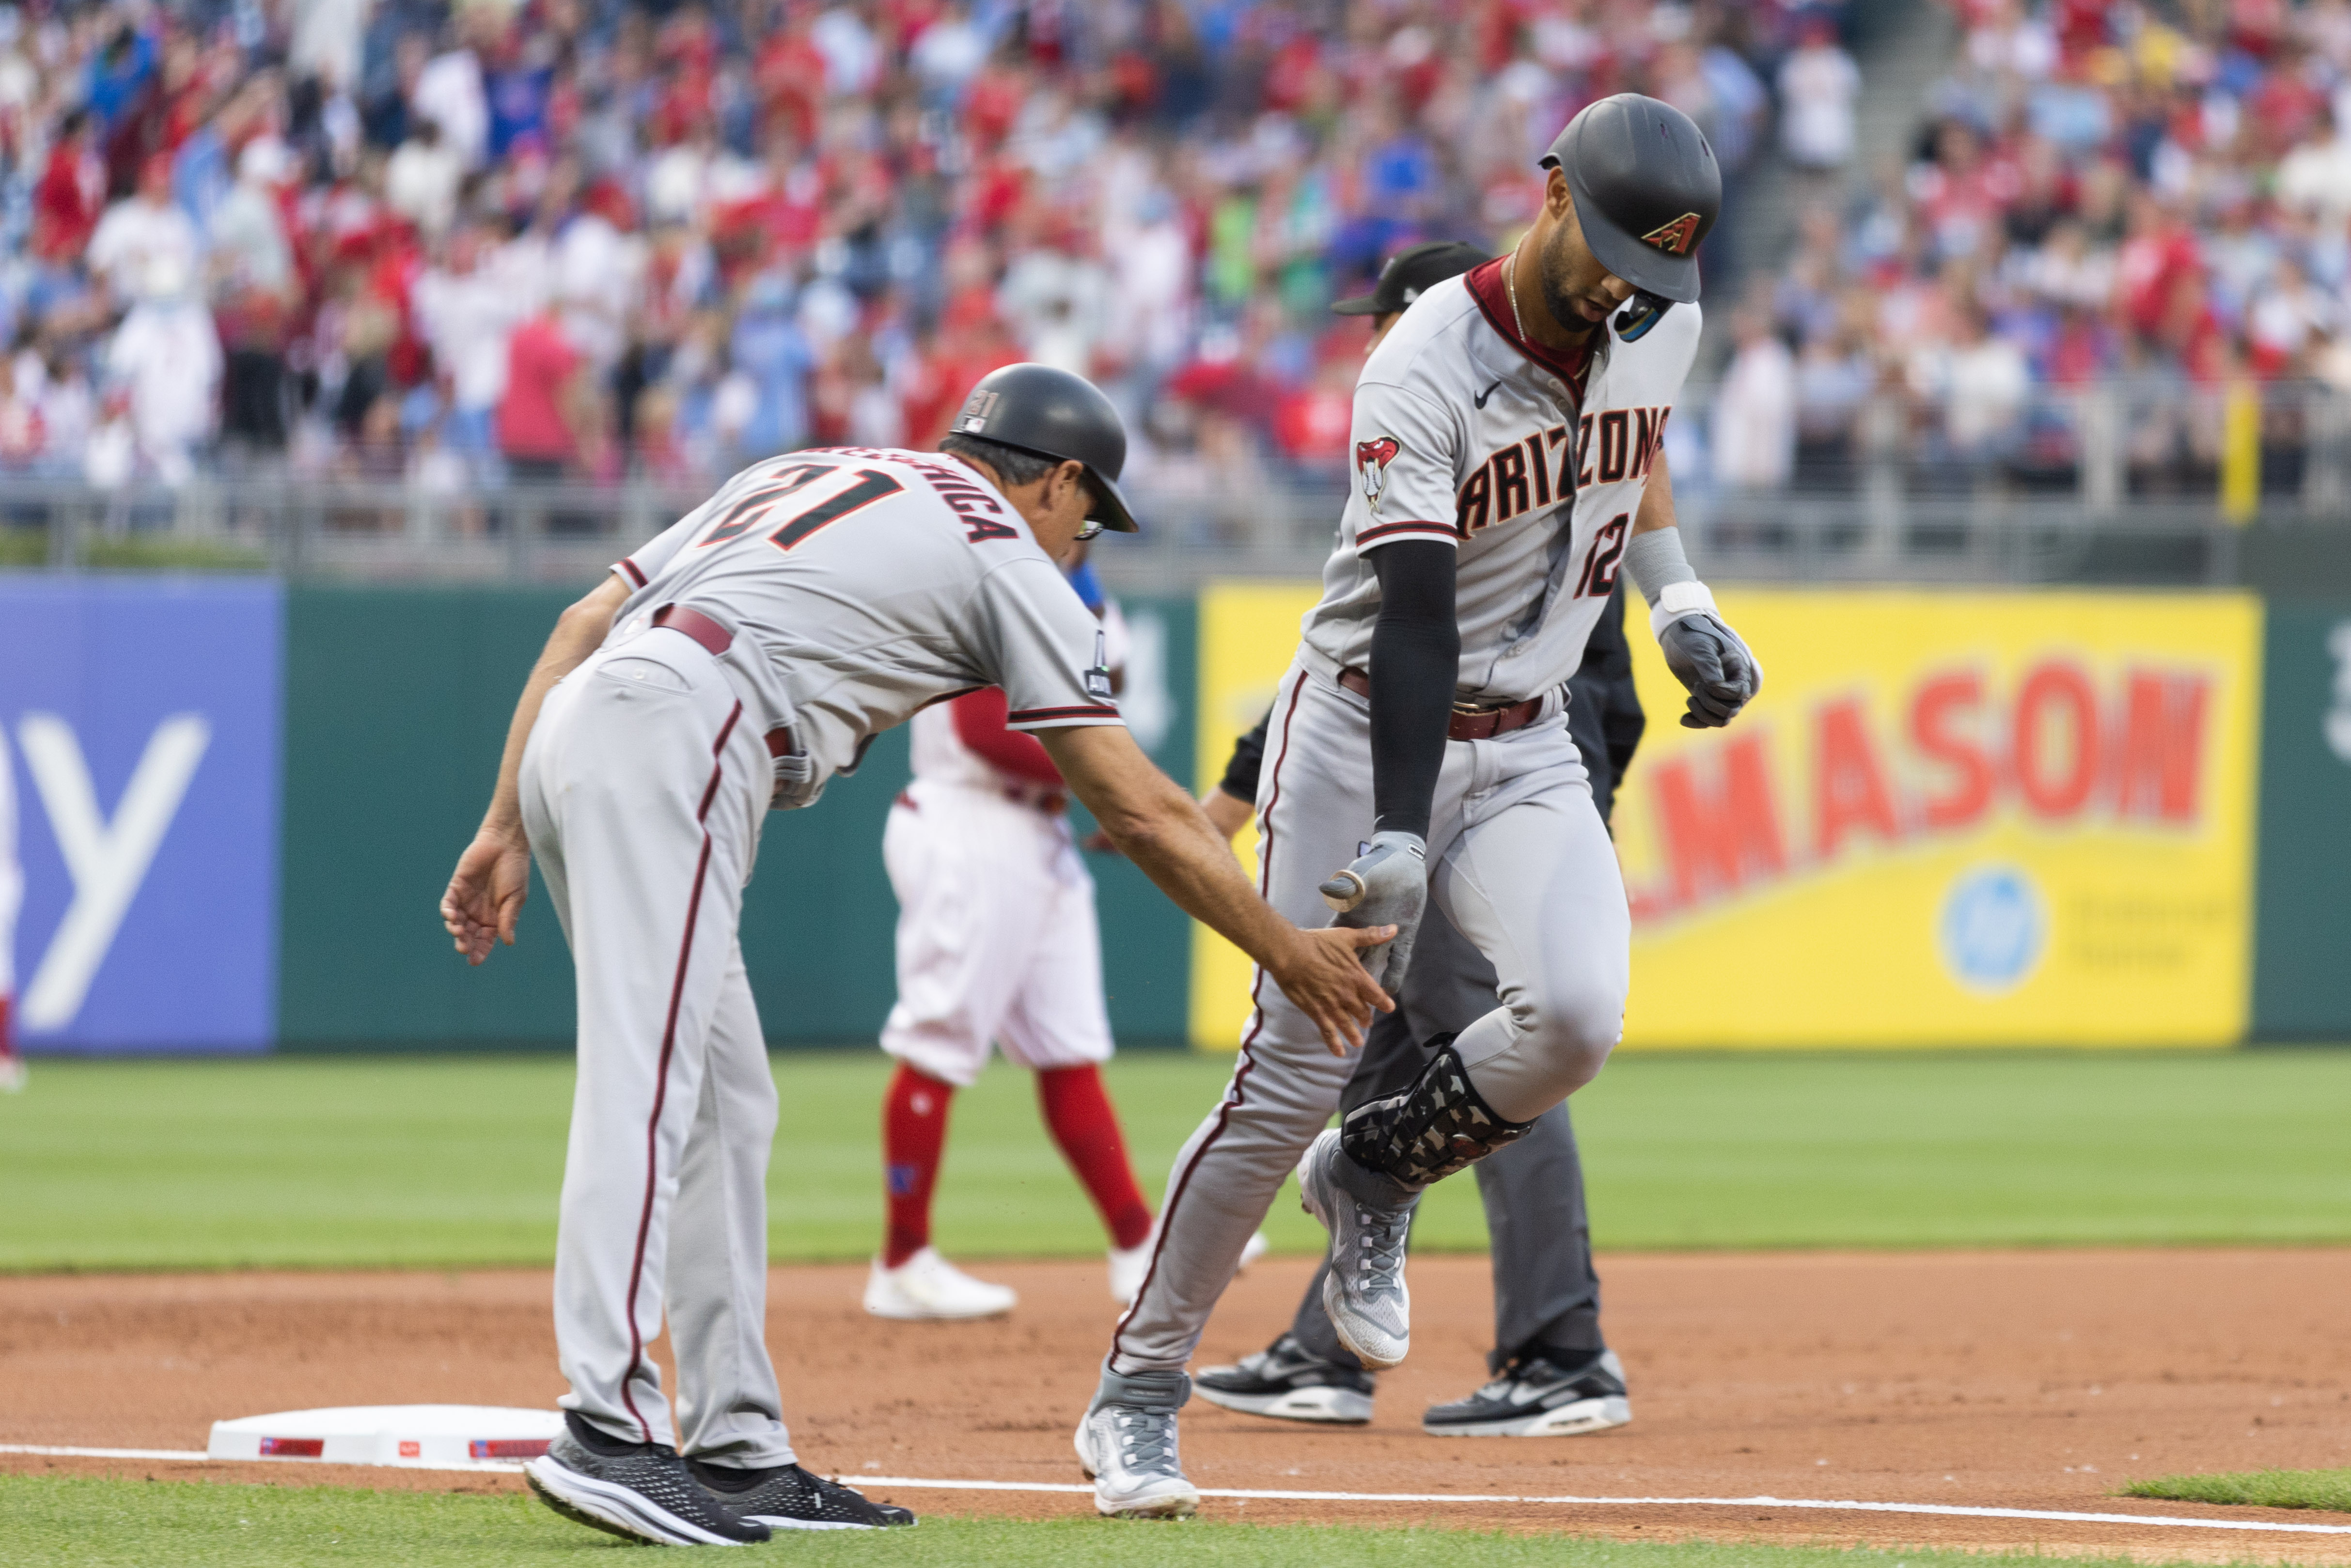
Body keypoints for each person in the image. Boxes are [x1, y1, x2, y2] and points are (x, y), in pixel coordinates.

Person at [439, 362, 1393, 1547]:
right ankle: (606, 1427)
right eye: (1088, 514)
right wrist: (1285, 947)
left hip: (606, 710)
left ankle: (738, 1450)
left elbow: (582, 619)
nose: (1079, 539)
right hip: (688, 726)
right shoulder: (1004, 544)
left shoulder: (811, 466)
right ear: (1055, 480)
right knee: (650, 1084)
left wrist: (500, 820)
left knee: (727, 1102)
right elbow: (1140, 810)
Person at [1075, 96, 1762, 1521]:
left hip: (1531, 737)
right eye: (1620, 247)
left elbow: (1635, 456)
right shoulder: (1421, 361)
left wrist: (1679, 592)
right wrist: (1394, 826)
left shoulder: (1658, 320)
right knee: (1289, 1068)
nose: (1634, 285)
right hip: (1361, 727)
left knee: (1573, 1016)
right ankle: (1136, 1394)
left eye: (1663, 263)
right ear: (1555, 193)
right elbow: (1410, 621)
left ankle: (1376, 1174)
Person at [1192, 240, 1644, 1438]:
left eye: (1385, 318)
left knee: (1488, 1056)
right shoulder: (1430, 451)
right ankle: (1321, 1350)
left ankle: (1560, 1346)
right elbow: (1371, 657)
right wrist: (1240, 797)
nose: (1369, 340)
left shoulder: (1539, 469)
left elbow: (1594, 693)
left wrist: (1558, 828)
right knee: (1401, 1077)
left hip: (1505, 787)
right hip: (1423, 776)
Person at [867, 555, 1226, 1319]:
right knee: (940, 1038)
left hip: (1040, 830)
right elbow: (980, 731)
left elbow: (1108, 685)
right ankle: (902, 1260)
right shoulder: (983, 574)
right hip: (970, 817)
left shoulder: (1083, 586)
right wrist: (1111, 780)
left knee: (1070, 1045)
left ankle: (1137, 1245)